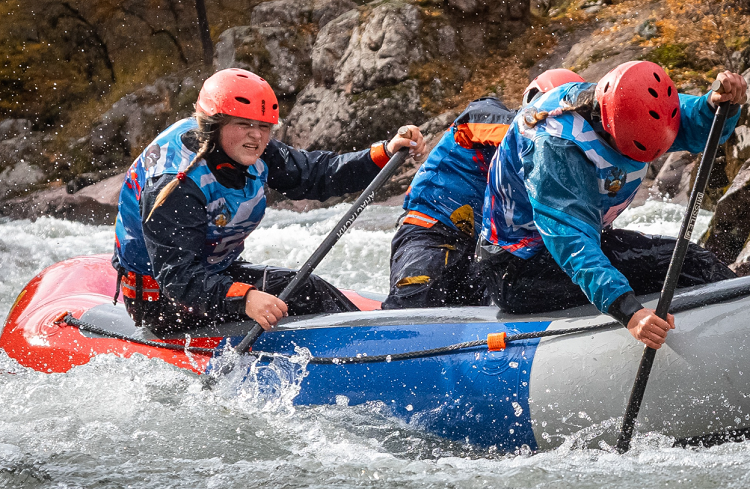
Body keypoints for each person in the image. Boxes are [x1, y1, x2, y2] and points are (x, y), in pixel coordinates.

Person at [112, 68, 425, 332]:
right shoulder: (176, 184)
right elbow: (177, 276)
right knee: (302, 292)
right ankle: (371, 352)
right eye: (244, 124)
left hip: (211, 278)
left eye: (264, 127)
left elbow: (316, 175)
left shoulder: (253, 151)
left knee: (304, 288)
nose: (256, 136)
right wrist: (245, 298)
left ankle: (373, 341)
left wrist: (382, 153)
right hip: (163, 301)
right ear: (214, 123)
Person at [477, 61, 747, 349]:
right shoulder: (556, 145)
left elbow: (689, 121)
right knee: (688, 264)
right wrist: (628, 311)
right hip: (520, 269)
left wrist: (715, 105)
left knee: (690, 263)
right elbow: (570, 239)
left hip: (569, 246)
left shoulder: (634, 100)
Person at [382, 69, 584, 309]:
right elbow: (492, 124)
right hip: (430, 233)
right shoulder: (487, 114)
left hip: (485, 253)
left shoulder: (556, 165)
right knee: (414, 304)